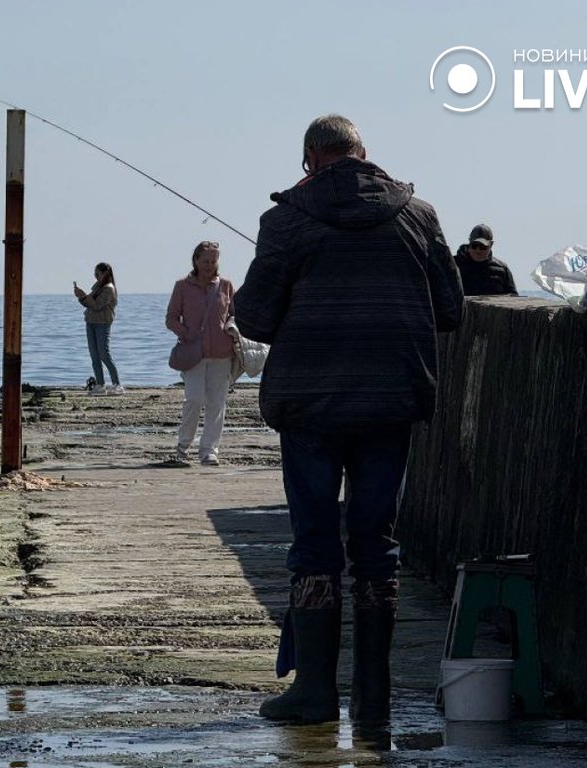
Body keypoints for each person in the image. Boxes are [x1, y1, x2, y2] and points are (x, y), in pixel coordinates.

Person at [233, 115, 464, 724]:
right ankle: (373, 696)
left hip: (310, 405)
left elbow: (254, 319)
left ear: (310, 160)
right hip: (390, 401)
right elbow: (450, 309)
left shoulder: (287, 220)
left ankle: (314, 692)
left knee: (315, 542)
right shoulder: (418, 216)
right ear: (365, 154)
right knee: (376, 545)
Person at [165, 241, 235, 465]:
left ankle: (209, 450)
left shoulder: (225, 285)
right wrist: (186, 334)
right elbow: (171, 318)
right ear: (195, 260)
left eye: (213, 261)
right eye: (205, 261)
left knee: (217, 403)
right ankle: (183, 445)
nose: (209, 265)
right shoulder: (182, 286)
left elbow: (234, 315)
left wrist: (232, 328)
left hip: (222, 353)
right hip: (193, 354)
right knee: (194, 399)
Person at [73, 262, 122, 394]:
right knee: (94, 355)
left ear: (105, 274)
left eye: (97, 274)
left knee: (104, 354)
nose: (95, 276)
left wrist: (83, 296)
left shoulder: (109, 289)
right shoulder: (98, 287)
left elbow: (97, 306)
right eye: (94, 274)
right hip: (91, 322)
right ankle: (100, 384)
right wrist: (81, 297)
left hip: (102, 323)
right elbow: (89, 303)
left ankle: (117, 384)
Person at [454, 223, 518, 296]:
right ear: (469, 242)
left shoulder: (502, 269)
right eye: (474, 245)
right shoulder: (454, 265)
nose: (478, 250)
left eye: (482, 246)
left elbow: (513, 295)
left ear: (491, 244)